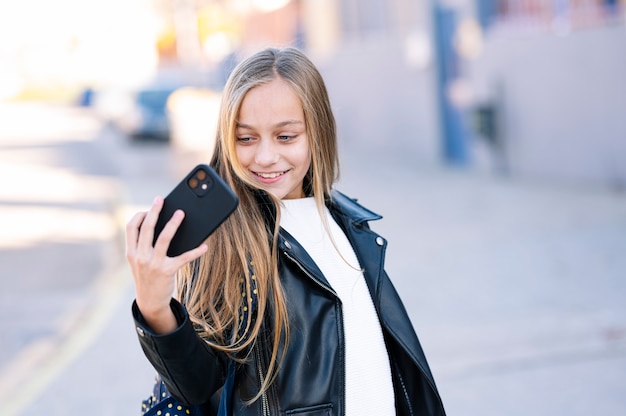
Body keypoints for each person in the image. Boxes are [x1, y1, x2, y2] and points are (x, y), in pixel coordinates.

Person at [126, 47, 445, 416]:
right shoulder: (224, 241)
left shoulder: (350, 223)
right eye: (246, 139)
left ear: (318, 133)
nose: (264, 157)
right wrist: (154, 307)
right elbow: (198, 387)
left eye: (286, 137)